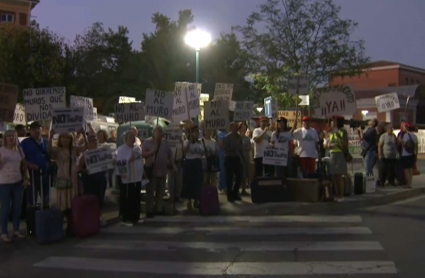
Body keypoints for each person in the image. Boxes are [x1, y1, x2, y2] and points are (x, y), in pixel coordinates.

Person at [47, 128, 88, 235]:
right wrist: (50, 136)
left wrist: (84, 135)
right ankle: (62, 224)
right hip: (62, 175)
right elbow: (49, 150)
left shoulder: (74, 149)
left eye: (67, 138)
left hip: (73, 175)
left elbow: (86, 147)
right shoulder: (58, 149)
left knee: (72, 199)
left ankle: (71, 226)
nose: (65, 140)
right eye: (63, 137)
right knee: (63, 200)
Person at [0, 130, 29, 242]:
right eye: (8, 136)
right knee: (5, 208)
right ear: (5, 138)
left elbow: (24, 164)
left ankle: (16, 230)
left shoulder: (19, 150)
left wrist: (27, 177)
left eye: (13, 136)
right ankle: (4, 232)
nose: (11, 138)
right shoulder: (1, 151)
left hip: (17, 181)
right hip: (4, 183)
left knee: (17, 207)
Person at [143, 126, 176, 217]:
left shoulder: (165, 143)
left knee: (160, 192)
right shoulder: (147, 142)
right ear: (154, 133)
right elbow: (143, 154)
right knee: (150, 192)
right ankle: (149, 210)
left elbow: (170, 155)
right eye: (158, 132)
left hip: (162, 170)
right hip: (152, 171)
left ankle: (159, 208)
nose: (160, 134)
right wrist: (151, 152)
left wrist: (173, 166)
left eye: (161, 132)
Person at [79, 133, 108, 227]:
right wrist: (85, 170)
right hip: (89, 180)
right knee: (90, 199)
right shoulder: (85, 154)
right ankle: (90, 218)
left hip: (100, 179)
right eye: (91, 140)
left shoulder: (102, 152)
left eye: (95, 140)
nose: (94, 142)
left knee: (100, 199)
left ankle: (99, 217)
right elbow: (79, 168)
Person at [116, 131, 143, 226]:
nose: (132, 138)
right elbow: (118, 163)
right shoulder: (121, 149)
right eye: (130, 137)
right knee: (128, 197)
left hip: (137, 177)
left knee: (136, 197)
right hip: (128, 179)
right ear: (125, 139)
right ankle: (126, 218)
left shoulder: (137, 148)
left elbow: (140, 160)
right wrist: (128, 160)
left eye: (133, 136)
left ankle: (136, 216)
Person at [20, 121, 50, 206]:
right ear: (31, 130)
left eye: (38, 128)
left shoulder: (46, 141)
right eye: (34, 129)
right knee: (32, 196)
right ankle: (32, 214)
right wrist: (29, 164)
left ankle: (45, 213)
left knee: (46, 196)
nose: (37, 130)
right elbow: (20, 157)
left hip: (44, 173)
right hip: (31, 173)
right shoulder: (25, 143)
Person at [326, 116, 348, 203]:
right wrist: (329, 145)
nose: (332, 123)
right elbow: (326, 144)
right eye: (331, 121)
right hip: (332, 154)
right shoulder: (330, 132)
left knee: (339, 176)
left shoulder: (343, 131)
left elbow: (345, 144)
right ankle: (337, 194)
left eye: (333, 121)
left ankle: (341, 195)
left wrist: (339, 137)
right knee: (334, 176)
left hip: (339, 154)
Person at [181, 126, 203, 210]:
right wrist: (190, 142)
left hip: (197, 162)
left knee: (197, 182)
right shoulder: (187, 142)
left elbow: (202, 153)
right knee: (189, 182)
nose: (197, 134)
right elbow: (185, 151)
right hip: (189, 162)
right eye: (195, 132)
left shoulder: (200, 142)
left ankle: (196, 200)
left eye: (198, 132)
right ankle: (189, 201)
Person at [223, 122, 243, 202]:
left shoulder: (239, 137)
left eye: (237, 126)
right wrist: (234, 147)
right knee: (229, 178)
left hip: (237, 158)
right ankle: (230, 195)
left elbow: (241, 148)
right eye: (235, 126)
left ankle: (235, 193)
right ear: (231, 127)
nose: (236, 128)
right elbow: (225, 149)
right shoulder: (227, 137)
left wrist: (242, 158)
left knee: (240, 176)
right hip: (229, 158)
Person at [401, 122, 418, 188]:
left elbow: (404, 144)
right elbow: (416, 146)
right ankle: (410, 182)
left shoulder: (406, 135)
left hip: (406, 154)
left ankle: (408, 183)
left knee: (406, 169)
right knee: (410, 169)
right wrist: (416, 154)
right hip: (412, 154)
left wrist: (400, 140)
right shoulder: (414, 136)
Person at [239, 123, 252, 195]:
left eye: (244, 128)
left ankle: (243, 189)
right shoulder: (237, 137)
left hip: (246, 158)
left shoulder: (247, 138)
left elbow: (250, 148)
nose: (243, 130)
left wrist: (243, 148)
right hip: (238, 158)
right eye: (242, 128)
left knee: (245, 174)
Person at [217, 128, 228, 192]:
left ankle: (226, 186)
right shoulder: (220, 133)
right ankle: (222, 186)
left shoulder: (227, 132)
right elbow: (221, 144)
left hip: (227, 154)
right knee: (222, 170)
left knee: (226, 170)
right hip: (222, 154)